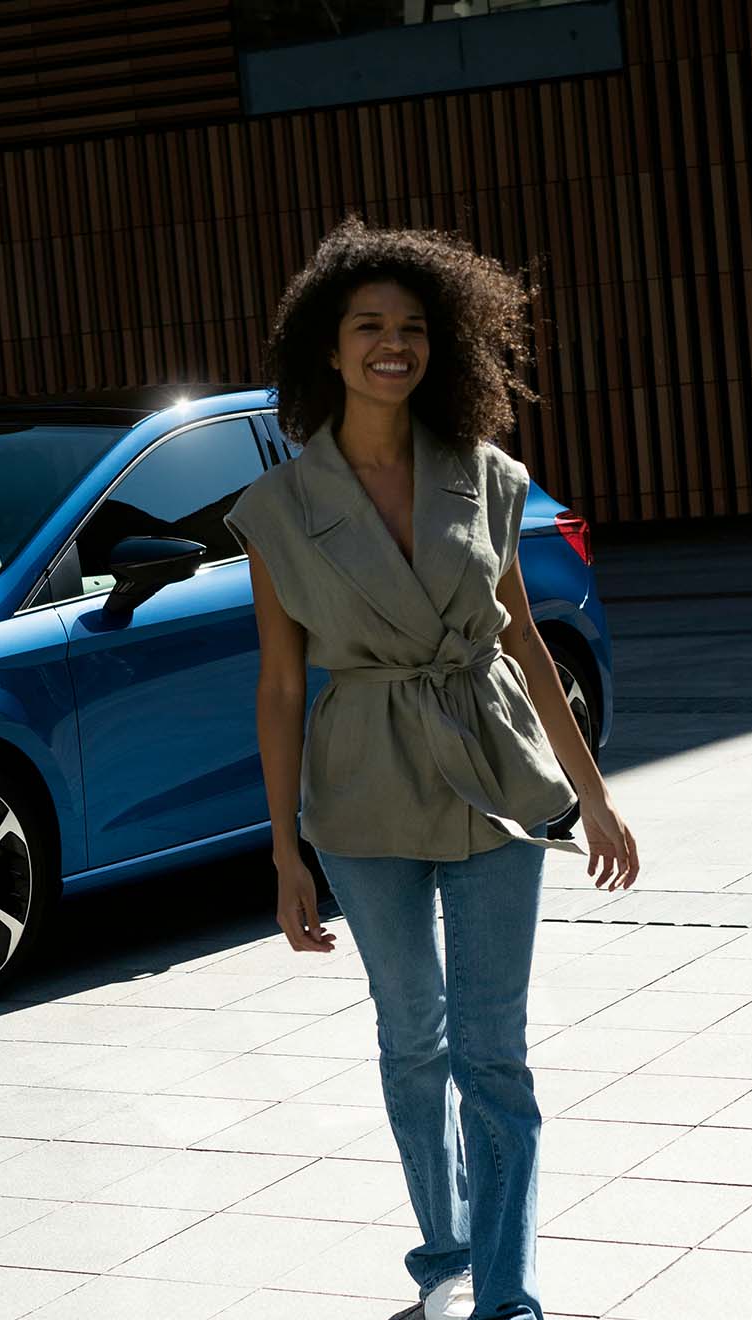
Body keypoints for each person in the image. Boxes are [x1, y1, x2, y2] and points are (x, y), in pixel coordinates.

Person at [227, 217, 642, 1320]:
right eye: (368, 326)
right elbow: (278, 687)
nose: (391, 345)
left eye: (411, 327)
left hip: (495, 774)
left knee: (491, 1050)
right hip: (361, 789)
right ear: (328, 346)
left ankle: (509, 1291)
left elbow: (522, 641)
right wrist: (284, 852)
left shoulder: (485, 475)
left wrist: (591, 795)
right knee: (413, 1036)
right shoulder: (277, 509)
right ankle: (444, 1241)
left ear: (440, 344)